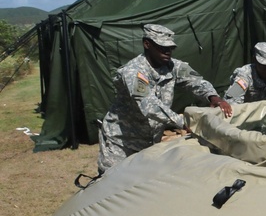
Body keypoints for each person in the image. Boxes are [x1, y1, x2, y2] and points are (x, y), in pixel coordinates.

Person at [97, 24, 233, 175]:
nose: (167, 51)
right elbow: (149, 106)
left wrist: (213, 97)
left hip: (149, 141)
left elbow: (196, 81)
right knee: (112, 183)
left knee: (140, 184)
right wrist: (183, 122)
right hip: (122, 142)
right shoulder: (134, 71)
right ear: (147, 44)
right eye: (162, 47)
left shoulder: (173, 66)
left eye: (170, 48)